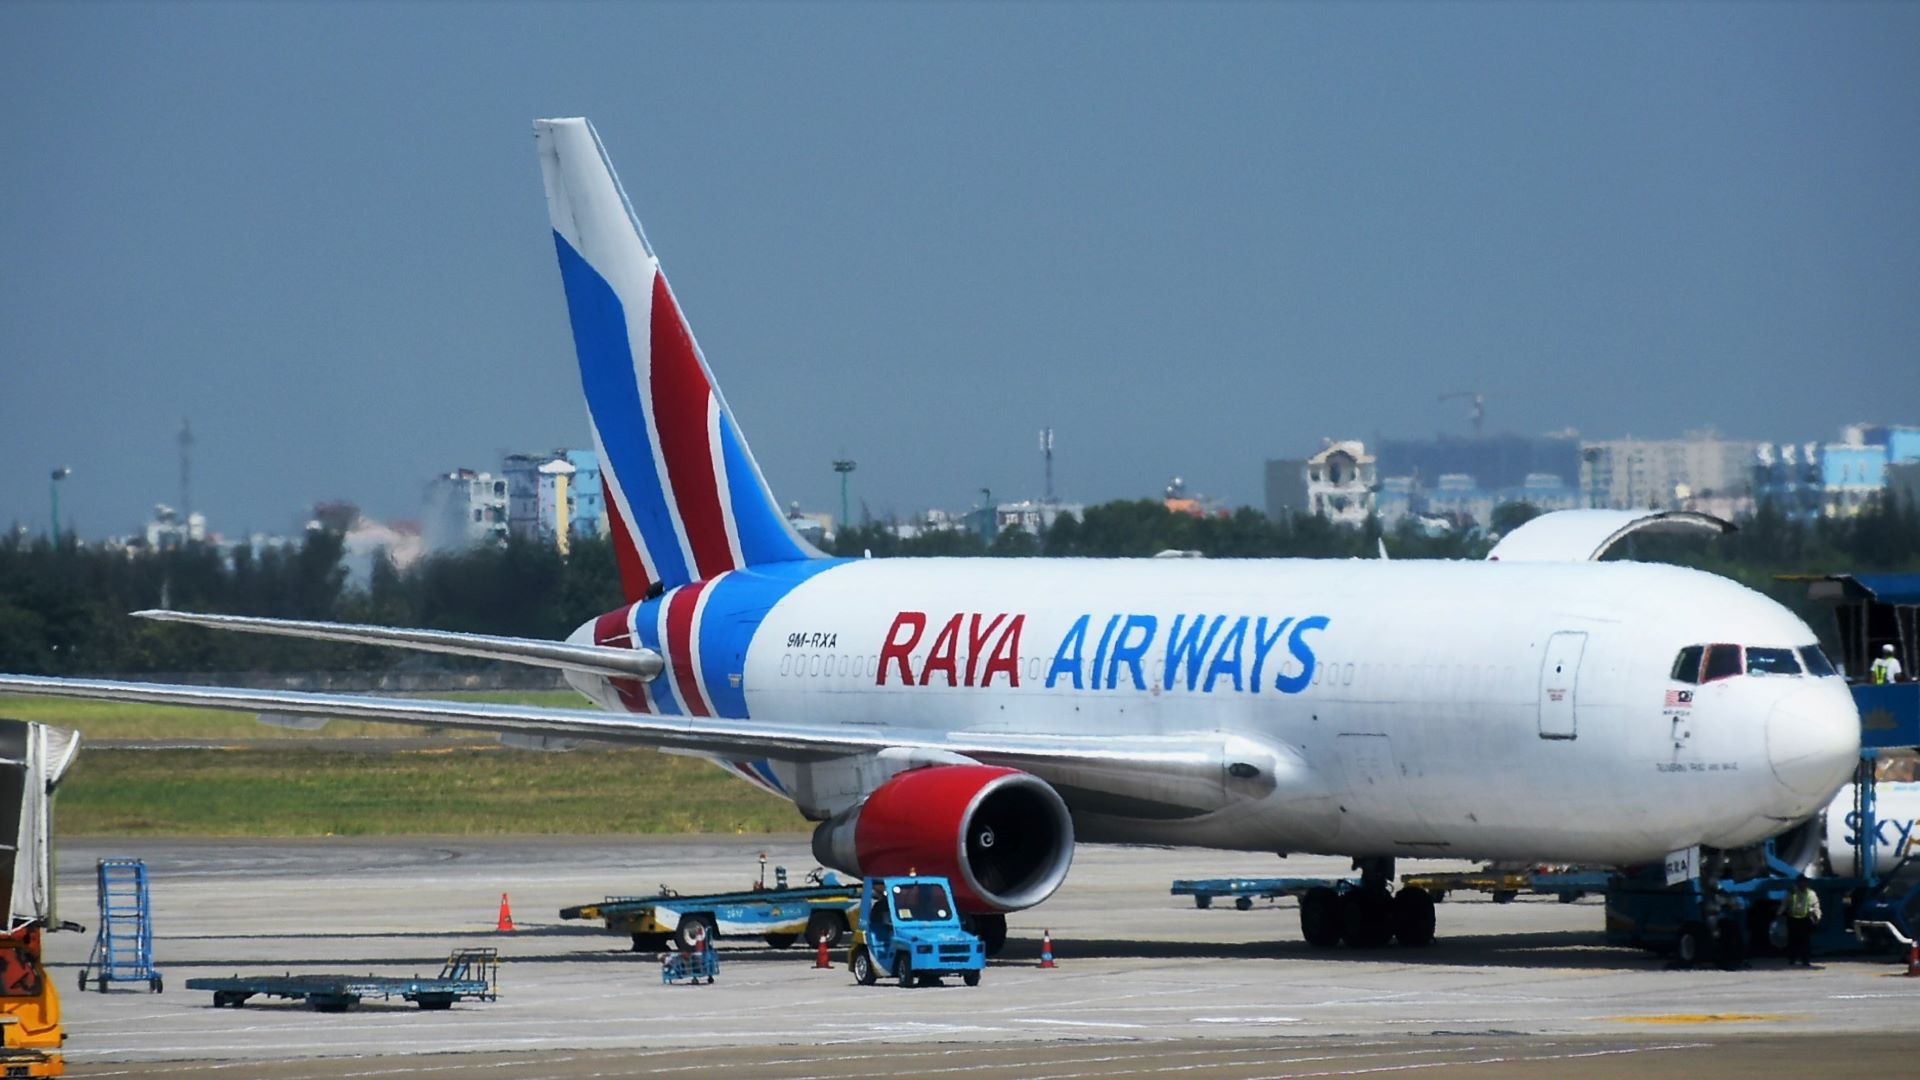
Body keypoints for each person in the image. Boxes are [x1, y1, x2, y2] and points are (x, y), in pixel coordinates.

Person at [1784, 875, 1821, 967]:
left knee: (1805, 941)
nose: (1803, 884)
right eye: (1801, 882)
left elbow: (1816, 905)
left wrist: (1817, 917)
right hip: (1793, 919)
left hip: (1805, 919)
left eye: (1805, 882)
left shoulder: (1811, 894)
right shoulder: (1792, 893)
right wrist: (1779, 913)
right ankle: (1792, 959)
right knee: (1793, 940)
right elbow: (1785, 903)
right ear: (1797, 883)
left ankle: (1805, 960)